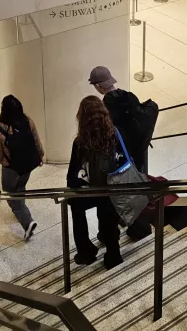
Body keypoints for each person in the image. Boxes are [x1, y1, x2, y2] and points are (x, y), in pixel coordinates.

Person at [88, 66, 157, 241]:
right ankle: (140, 229)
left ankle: (111, 233)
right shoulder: (130, 96)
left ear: (98, 86)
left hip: (120, 159)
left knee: (116, 196)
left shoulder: (105, 107)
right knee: (135, 192)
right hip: (137, 155)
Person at [67, 96, 125, 270]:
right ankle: (113, 254)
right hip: (111, 188)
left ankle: (86, 251)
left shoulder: (80, 142)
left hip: (91, 192)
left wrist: (74, 191)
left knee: (76, 207)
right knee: (108, 212)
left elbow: (73, 175)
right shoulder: (115, 134)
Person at [0, 95, 44, 241]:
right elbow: (37, 142)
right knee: (20, 187)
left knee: (10, 194)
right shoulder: (28, 121)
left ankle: (27, 222)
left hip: (11, 168)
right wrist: (40, 156)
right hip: (28, 164)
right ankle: (21, 210)